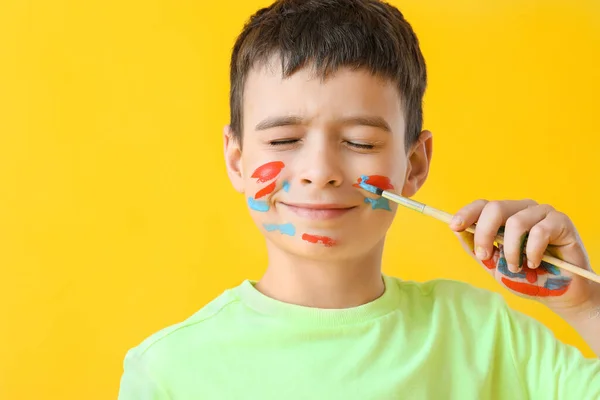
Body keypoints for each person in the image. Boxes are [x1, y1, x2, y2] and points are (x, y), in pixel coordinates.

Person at [118, 0, 600, 398]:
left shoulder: (485, 336)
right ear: (236, 160)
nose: (321, 173)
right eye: (285, 140)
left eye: (361, 143)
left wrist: (587, 308)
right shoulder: (168, 372)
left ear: (414, 165)